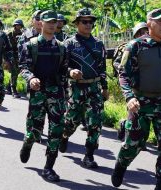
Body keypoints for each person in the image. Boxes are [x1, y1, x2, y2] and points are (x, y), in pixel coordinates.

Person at [111, 9, 161, 189]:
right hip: (140, 103)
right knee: (134, 143)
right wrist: (129, 97)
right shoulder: (135, 46)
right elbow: (123, 73)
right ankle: (121, 165)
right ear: (149, 24)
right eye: (160, 21)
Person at [19, 10, 68, 182]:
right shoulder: (31, 45)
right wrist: (31, 78)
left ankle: (49, 168)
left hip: (56, 93)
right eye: (48, 22)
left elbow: (64, 69)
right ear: (40, 23)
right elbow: (24, 67)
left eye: (55, 22)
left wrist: (72, 72)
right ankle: (28, 142)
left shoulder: (61, 47)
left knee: (56, 130)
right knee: (34, 130)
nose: (52, 25)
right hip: (38, 94)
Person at [59, 8, 109, 168]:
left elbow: (102, 68)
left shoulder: (98, 44)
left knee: (95, 122)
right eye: (84, 21)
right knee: (72, 121)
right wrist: (70, 72)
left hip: (94, 87)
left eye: (91, 22)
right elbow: (61, 66)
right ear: (77, 24)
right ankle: (64, 136)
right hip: (76, 88)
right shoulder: (68, 44)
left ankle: (89, 155)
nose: (88, 25)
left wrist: (105, 87)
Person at [114, 22, 148, 145]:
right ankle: (128, 137)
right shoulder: (128, 47)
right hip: (132, 86)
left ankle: (141, 139)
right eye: (140, 32)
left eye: (146, 31)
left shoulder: (153, 48)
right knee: (133, 113)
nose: (144, 34)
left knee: (143, 116)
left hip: (148, 88)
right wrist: (128, 70)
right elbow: (118, 63)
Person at [17, 10, 44, 141]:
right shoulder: (26, 36)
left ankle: (38, 129)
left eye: (42, 18)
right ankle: (31, 131)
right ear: (33, 20)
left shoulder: (51, 35)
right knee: (35, 104)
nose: (40, 21)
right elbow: (21, 57)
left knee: (45, 105)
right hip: (31, 74)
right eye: (37, 18)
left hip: (48, 75)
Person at [7, 19, 24, 98]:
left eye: (19, 25)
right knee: (14, 72)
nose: (18, 27)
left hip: (20, 55)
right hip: (11, 55)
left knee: (16, 72)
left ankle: (9, 86)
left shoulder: (23, 34)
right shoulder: (9, 34)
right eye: (17, 25)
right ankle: (13, 90)